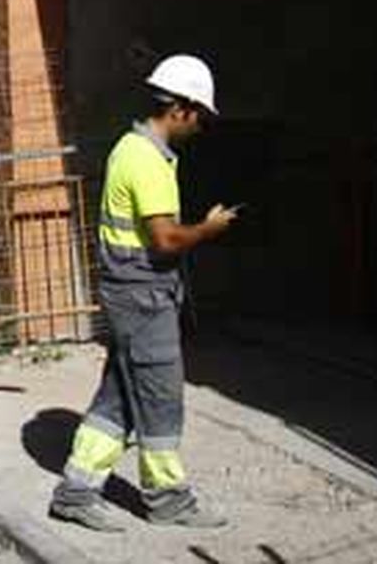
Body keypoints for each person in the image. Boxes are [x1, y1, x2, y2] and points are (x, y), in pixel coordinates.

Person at [49, 55, 238, 531]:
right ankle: (168, 498)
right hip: (142, 296)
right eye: (201, 115)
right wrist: (210, 227)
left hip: (131, 293)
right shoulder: (147, 161)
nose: (202, 125)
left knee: (119, 398)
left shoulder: (130, 148)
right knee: (159, 396)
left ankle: (76, 490)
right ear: (180, 108)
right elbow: (166, 239)